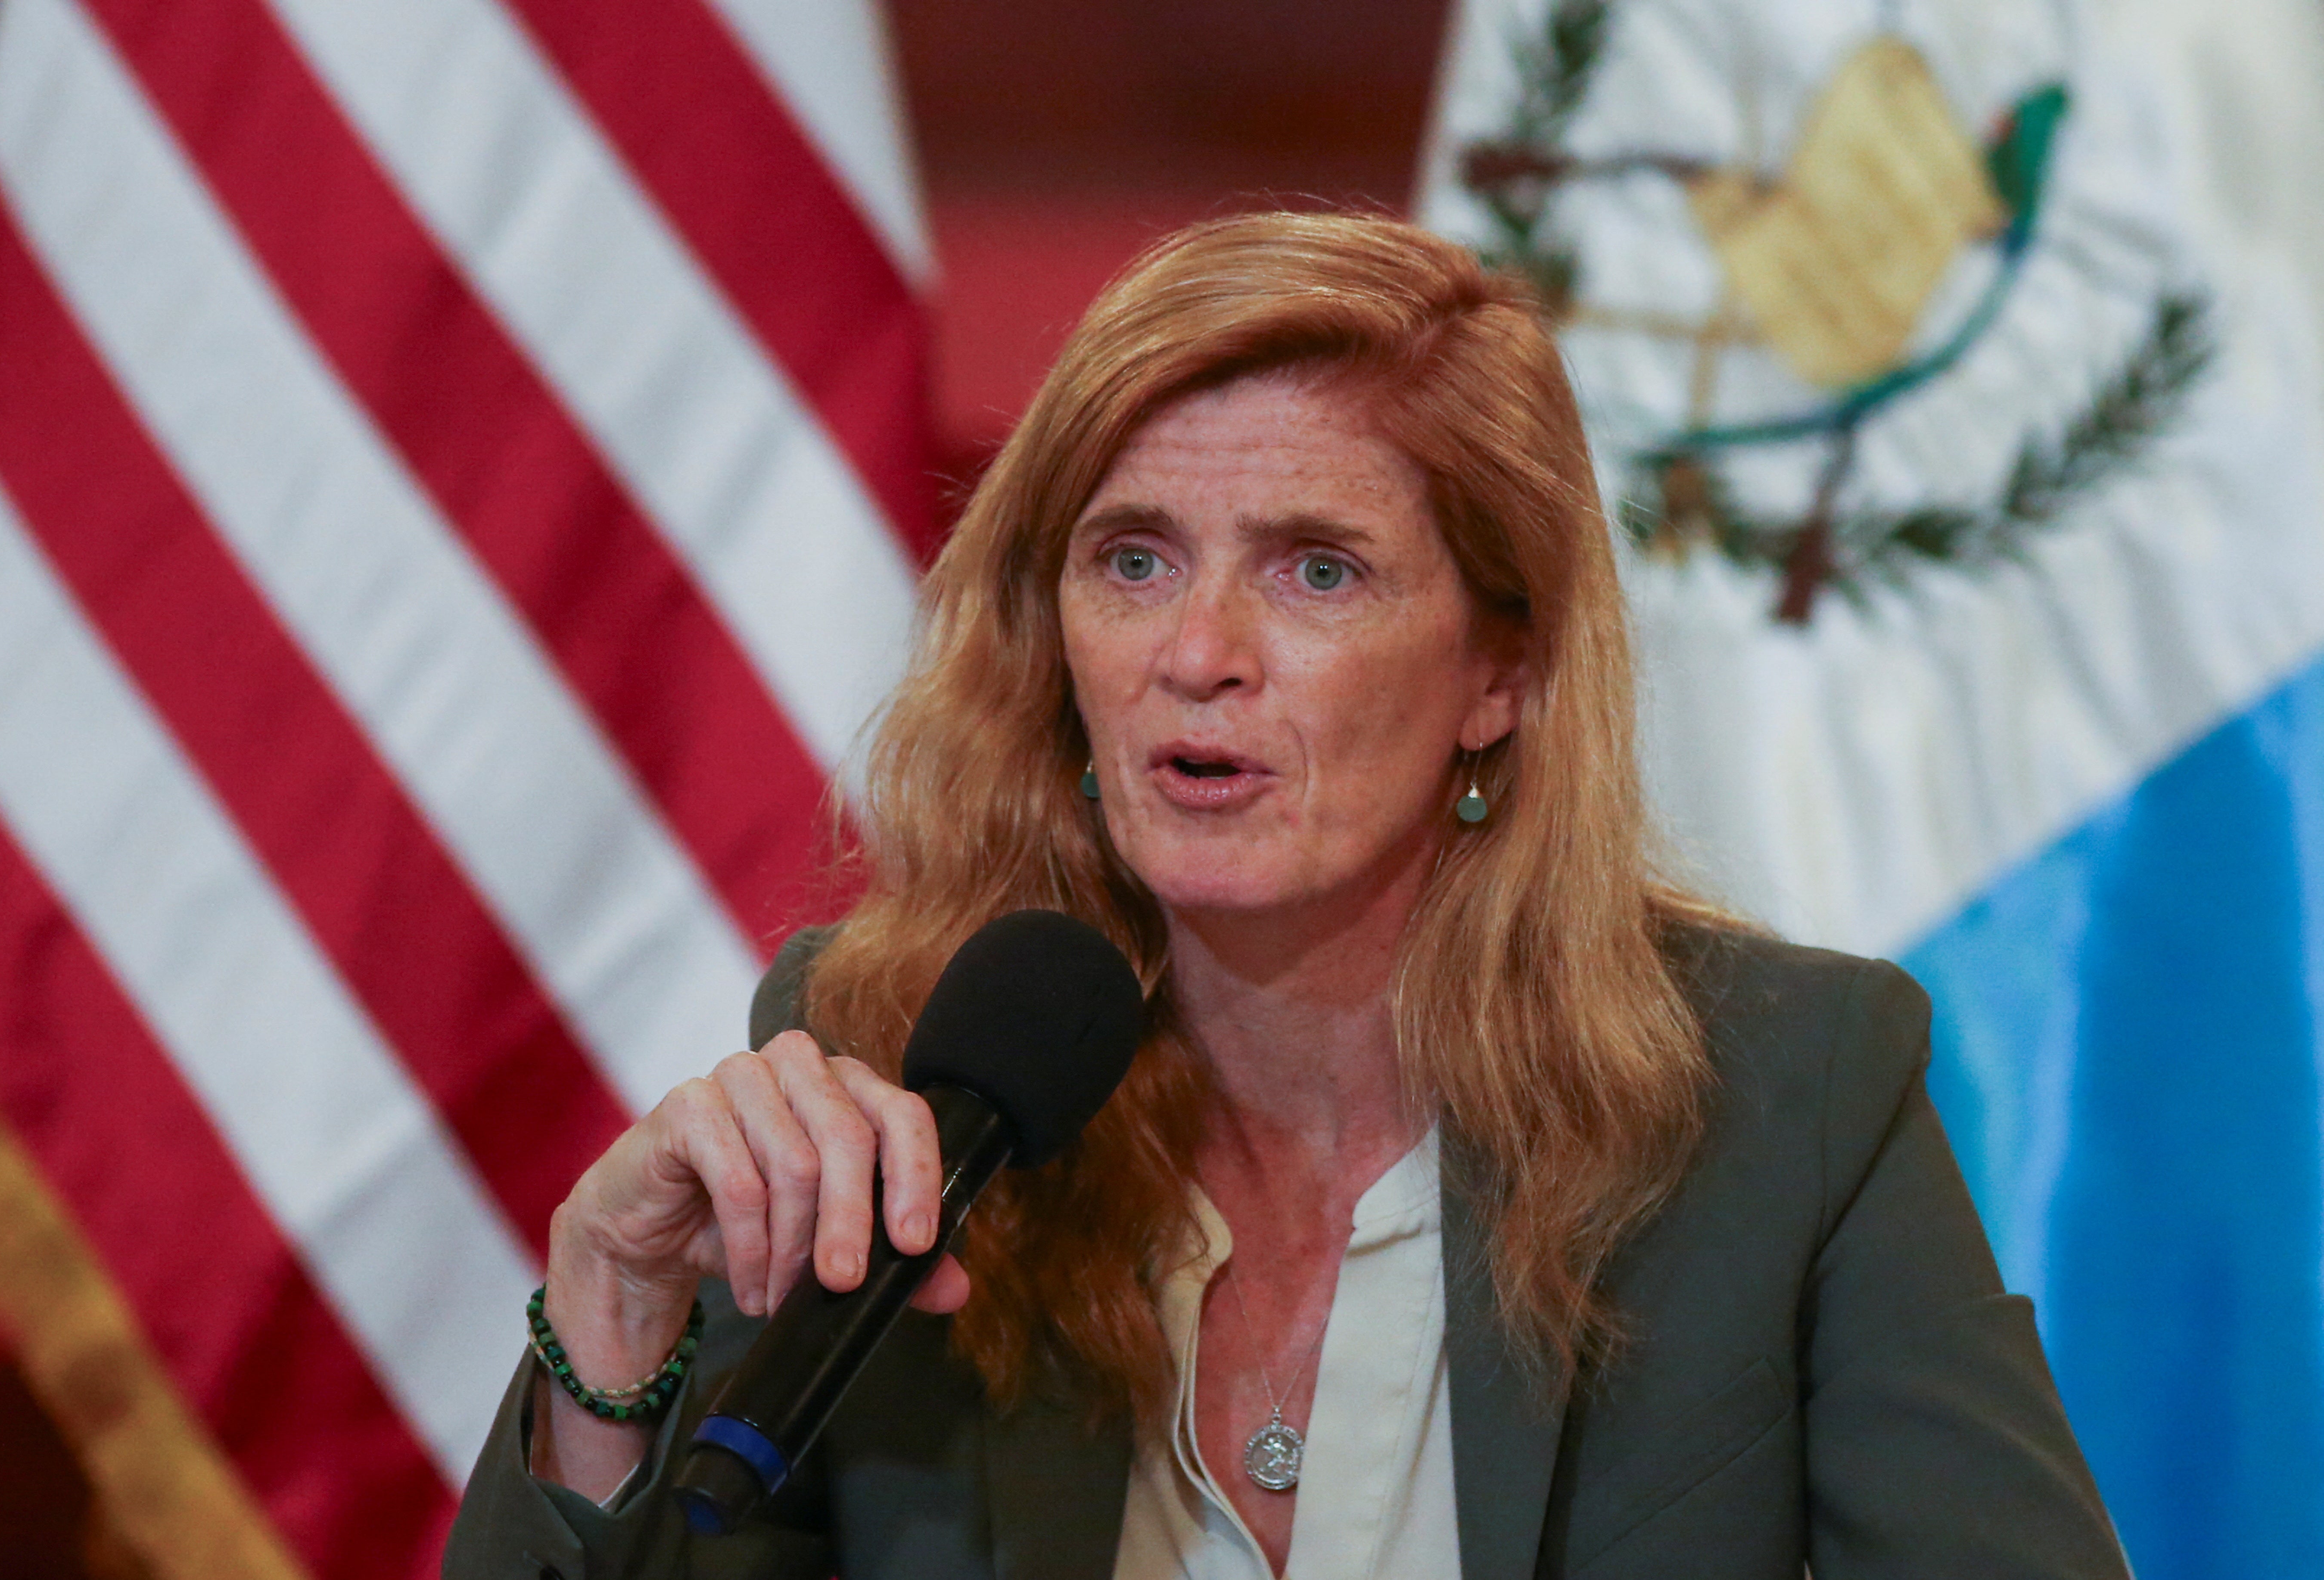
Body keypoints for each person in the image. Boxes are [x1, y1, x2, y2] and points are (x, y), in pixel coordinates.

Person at [445, 212, 2126, 1579]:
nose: (1196, 655)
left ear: (1500, 669)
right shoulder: (885, 1062)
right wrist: (610, 1331)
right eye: (1133, 558)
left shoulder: (1783, 1090)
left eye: (1317, 569)